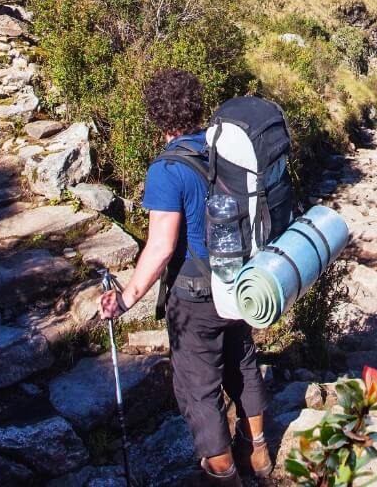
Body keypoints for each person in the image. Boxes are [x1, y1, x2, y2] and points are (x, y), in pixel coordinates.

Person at [99, 69, 271, 484]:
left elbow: (160, 248)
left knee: (198, 388)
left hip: (195, 295)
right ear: (197, 107)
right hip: (238, 282)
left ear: (157, 117)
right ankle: (260, 453)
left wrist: (125, 298)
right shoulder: (223, 150)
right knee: (242, 362)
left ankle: (223, 474)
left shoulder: (166, 170)